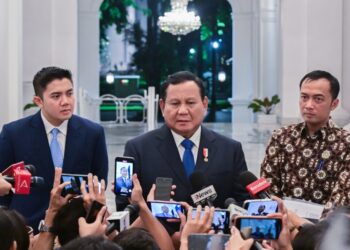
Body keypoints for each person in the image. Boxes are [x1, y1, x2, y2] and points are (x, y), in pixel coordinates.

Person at [0, 66, 108, 231]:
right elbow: (3, 184)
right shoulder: (14, 133)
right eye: (56, 96)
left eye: (69, 93)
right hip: (27, 227)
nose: (65, 101)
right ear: (39, 101)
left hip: (75, 228)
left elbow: (99, 181)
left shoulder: (93, 133)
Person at [121, 71, 249, 209]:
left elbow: (243, 204)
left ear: (204, 104)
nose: (182, 111)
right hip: (158, 230)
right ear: (162, 106)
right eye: (175, 103)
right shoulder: (138, 149)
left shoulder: (230, 150)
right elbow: (123, 209)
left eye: (190, 103)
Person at [261, 70, 350, 211]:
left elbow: (341, 200)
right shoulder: (282, 137)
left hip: (325, 228)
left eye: (318, 99)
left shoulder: (345, 144)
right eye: (304, 97)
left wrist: (307, 227)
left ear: (334, 104)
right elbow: (268, 190)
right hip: (282, 223)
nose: (308, 105)